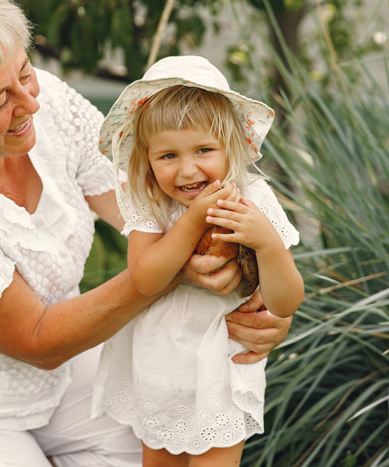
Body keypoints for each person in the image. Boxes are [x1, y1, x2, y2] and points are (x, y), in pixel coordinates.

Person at [0, 1, 293, 466]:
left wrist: (259, 305)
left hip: (63, 366)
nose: (30, 102)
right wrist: (172, 273)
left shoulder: (44, 103)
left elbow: (154, 207)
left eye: (24, 73)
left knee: (165, 434)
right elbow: (36, 339)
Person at [90, 55, 304, 466]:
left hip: (218, 367)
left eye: (204, 149)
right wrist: (190, 222)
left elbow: (285, 301)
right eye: (168, 156)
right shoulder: (151, 201)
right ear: (147, 158)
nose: (187, 170)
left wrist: (269, 246)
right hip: (158, 364)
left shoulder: (252, 202)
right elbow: (146, 277)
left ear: (232, 147)